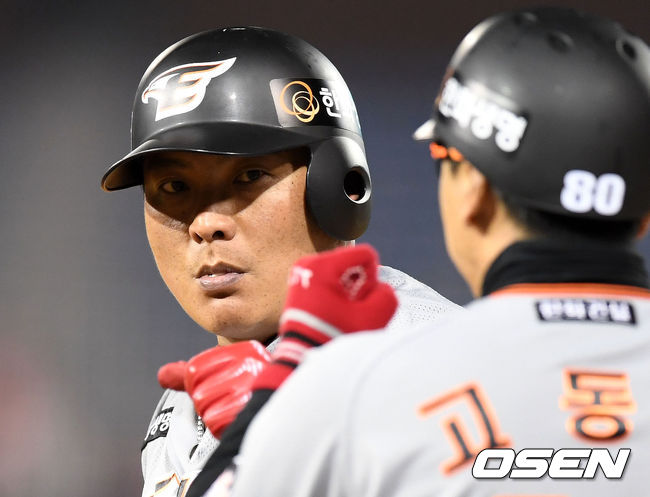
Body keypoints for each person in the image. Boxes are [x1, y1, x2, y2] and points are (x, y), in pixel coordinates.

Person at [217, 7, 650, 496]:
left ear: (474, 192)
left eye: (443, 158)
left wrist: (266, 407)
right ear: (643, 213)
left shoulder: (356, 386)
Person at [101, 27, 459, 497]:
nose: (206, 223)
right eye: (174, 187)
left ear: (341, 186)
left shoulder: (434, 365)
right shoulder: (183, 409)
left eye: (249, 176)